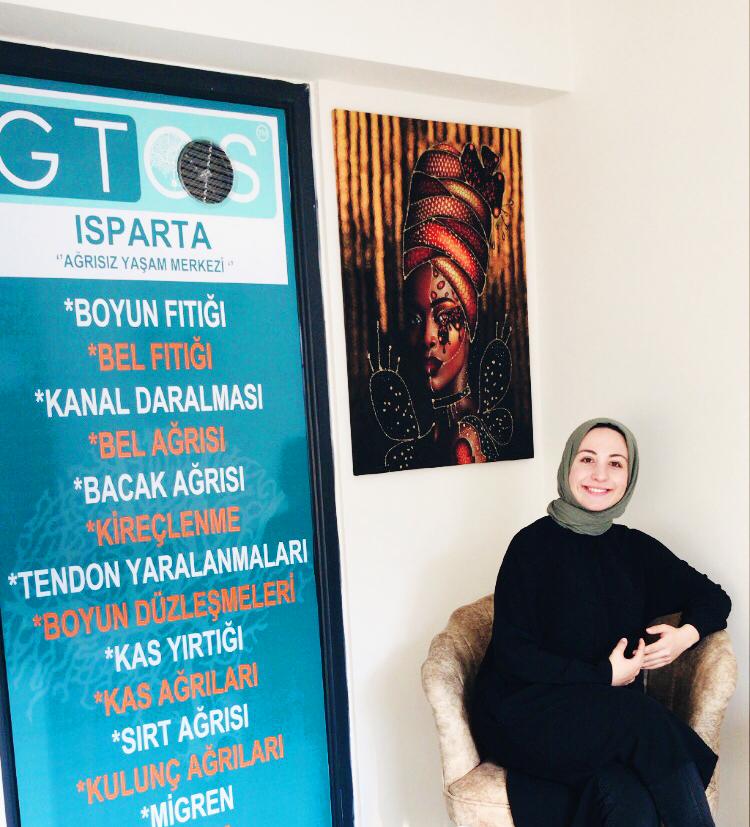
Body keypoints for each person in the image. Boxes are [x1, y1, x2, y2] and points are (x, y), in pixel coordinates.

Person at [469, 418, 731, 827]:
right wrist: (603, 675)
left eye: (616, 463)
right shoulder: (531, 546)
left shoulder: (634, 550)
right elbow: (513, 653)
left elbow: (714, 598)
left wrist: (684, 636)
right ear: (568, 465)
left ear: (630, 475)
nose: (600, 475)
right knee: (642, 719)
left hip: (602, 719)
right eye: (588, 459)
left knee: (630, 800)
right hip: (526, 711)